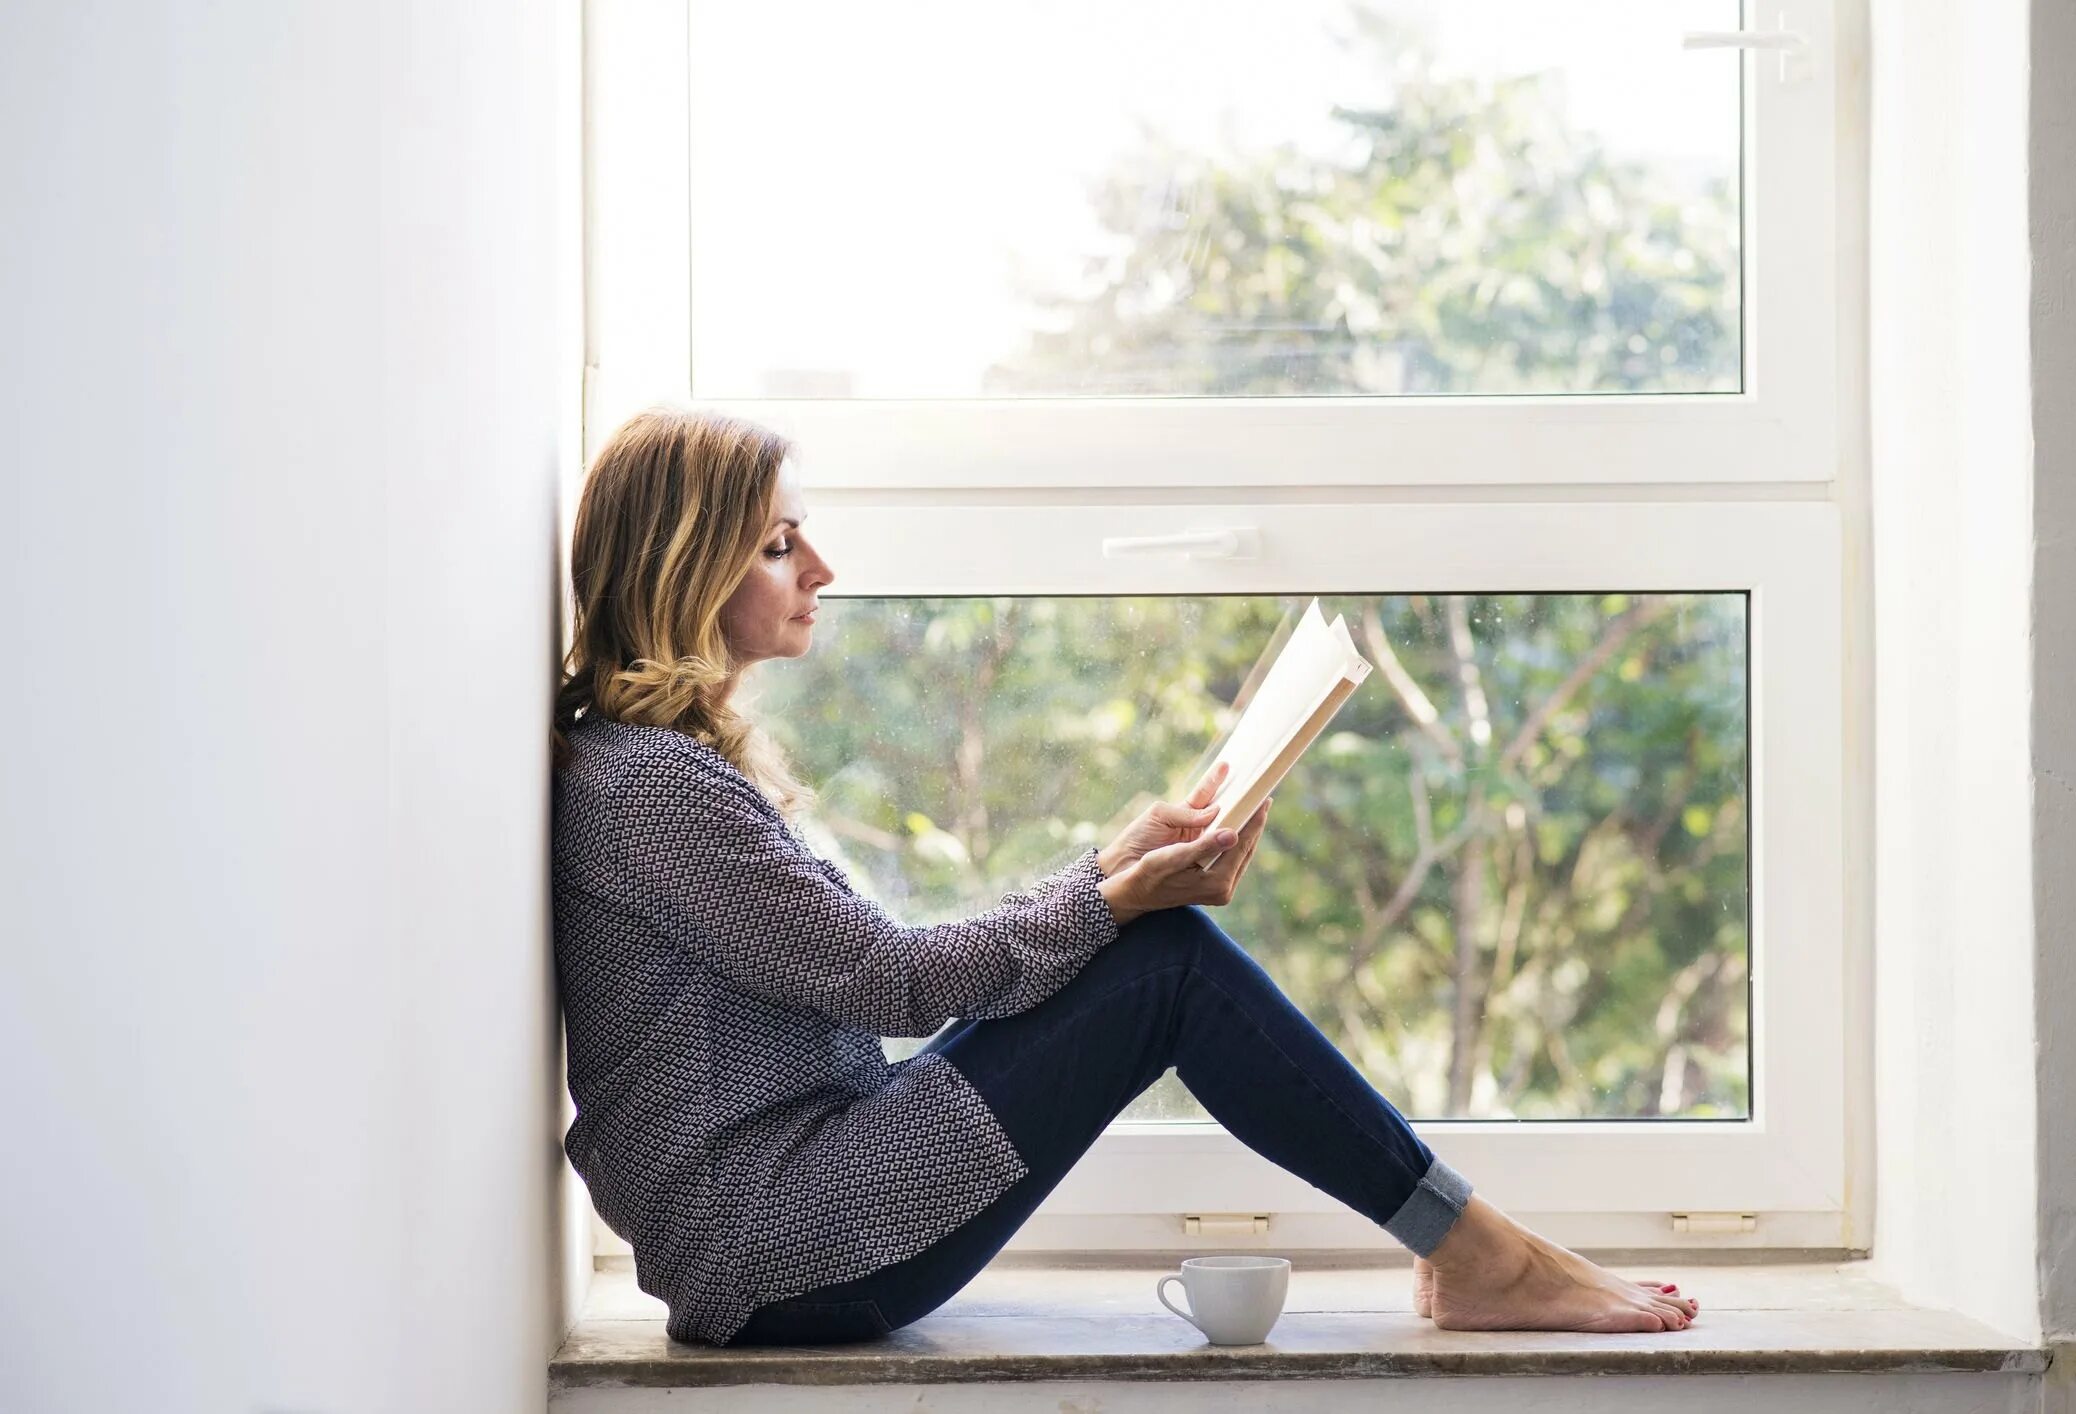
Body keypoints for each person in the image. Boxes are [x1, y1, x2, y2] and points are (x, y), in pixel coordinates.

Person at [550, 405, 1700, 1346]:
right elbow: (891, 983)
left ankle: (1474, 1251)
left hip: (792, 1207)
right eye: (777, 543)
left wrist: (1112, 867)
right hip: (779, 1248)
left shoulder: (658, 766)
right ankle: (1483, 1255)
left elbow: (883, 972)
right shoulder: (650, 785)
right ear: (683, 565)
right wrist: (1112, 897)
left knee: (1153, 948)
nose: (821, 566)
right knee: (1167, 965)